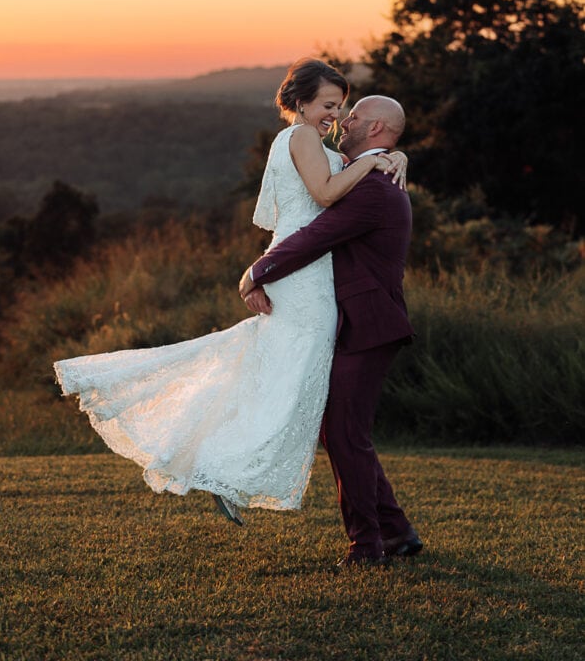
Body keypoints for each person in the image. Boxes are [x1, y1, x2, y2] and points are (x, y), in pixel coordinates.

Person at [54, 58, 406, 527]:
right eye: (330, 105)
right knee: (292, 386)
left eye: (343, 109)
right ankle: (223, 469)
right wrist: (259, 271)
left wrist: (391, 156)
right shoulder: (303, 137)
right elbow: (325, 197)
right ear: (301, 102)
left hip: (308, 274)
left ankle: (221, 466)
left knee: (278, 378)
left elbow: (346, 175)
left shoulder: (319, 147)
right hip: (302, 275)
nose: (338, 118)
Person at [239, 94, 422, 565]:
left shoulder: (374, 188)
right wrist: (392, 157)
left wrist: (258, 271)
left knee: (343, 433)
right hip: (357, 321)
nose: (345, 118)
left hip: (370, 323)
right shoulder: (367, 171)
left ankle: (367, 545)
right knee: (342, 431)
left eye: (356, 114)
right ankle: (395, 531)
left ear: (378, 129)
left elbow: (318, 235)